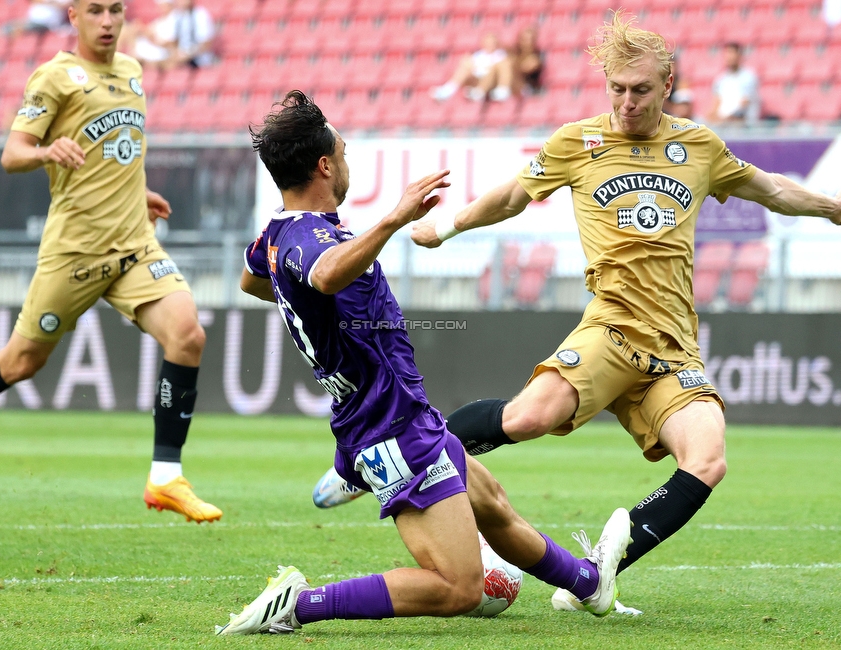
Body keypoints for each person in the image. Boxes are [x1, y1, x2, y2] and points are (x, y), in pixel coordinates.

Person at [322, 10, 841, 613]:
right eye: (618, 90)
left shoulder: (700, 146)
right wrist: (445, 225)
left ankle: (597, 575)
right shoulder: (578, 142)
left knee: (708, 459)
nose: (627, 103)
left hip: (674, 348)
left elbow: (771, 188)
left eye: (641, 91)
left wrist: (829, 204)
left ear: (668, 85)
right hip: (611, 330)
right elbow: (511, 197)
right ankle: (384, 457)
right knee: (527, 419)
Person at [221, 90, 633, 635]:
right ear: (324, 166)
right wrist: (391, 219)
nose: (346, 162)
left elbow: (254, 278)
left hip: (398, 411)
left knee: (491, 503)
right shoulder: (308, 236)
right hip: (389, 423)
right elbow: (323, 275)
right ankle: (301, 605)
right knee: (459, 586)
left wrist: (314, 313)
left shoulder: (276, 234)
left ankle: (587, 584)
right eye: (342, 153)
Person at [0, 0, 221, 524]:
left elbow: (118, 149)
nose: (108, 21)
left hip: (132, 244)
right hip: (75, 251)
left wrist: (137, 191)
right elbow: (13, 153)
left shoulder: (132, 70)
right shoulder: (55, 76)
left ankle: (165, 477)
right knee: (21, 361)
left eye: (116, 10)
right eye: (96, 11)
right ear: (74, 17)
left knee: (188, 334)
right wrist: (45, 152)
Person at [431, 32, 512, 102]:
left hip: (493, 81)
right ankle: (449, 89)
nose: (489, 44)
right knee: (466, 62)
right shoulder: (477, 55)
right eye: (487, 41)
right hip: (477, 78)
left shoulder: (501, 55)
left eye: (492, 42)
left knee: (498, 67)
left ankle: (501, 90)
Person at [707, 42, 759, 125]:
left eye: (731, 53)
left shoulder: (749, 77)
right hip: (724, 126)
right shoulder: (720, 80)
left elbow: (744, 103)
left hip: (744, 126)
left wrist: (726, 118)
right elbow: (716, 103)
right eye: (727, 53)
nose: (729, 57)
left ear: (739, 55)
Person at [168, 0, 216, 69]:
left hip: (198, 60)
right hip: (181, 58)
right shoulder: (175, 15)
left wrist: (188, 55)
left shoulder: (200, 14)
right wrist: (176, 54)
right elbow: (172, 41)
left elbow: (206, 43)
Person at [130, 0, 178, 69]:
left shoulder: (174, 20)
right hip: (155, 47)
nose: (160, 8)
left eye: (163, 6)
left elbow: (170, 43)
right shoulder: (159, 20)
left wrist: (150, 36)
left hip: (163, 51)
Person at [507, 26, 545, 97]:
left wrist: (511, 63)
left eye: (528, 39)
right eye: (522, 38)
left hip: (526, 89)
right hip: (511, 86)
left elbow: (523, 69)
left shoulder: (535, 58)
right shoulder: (515, 52)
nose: (524, 42)